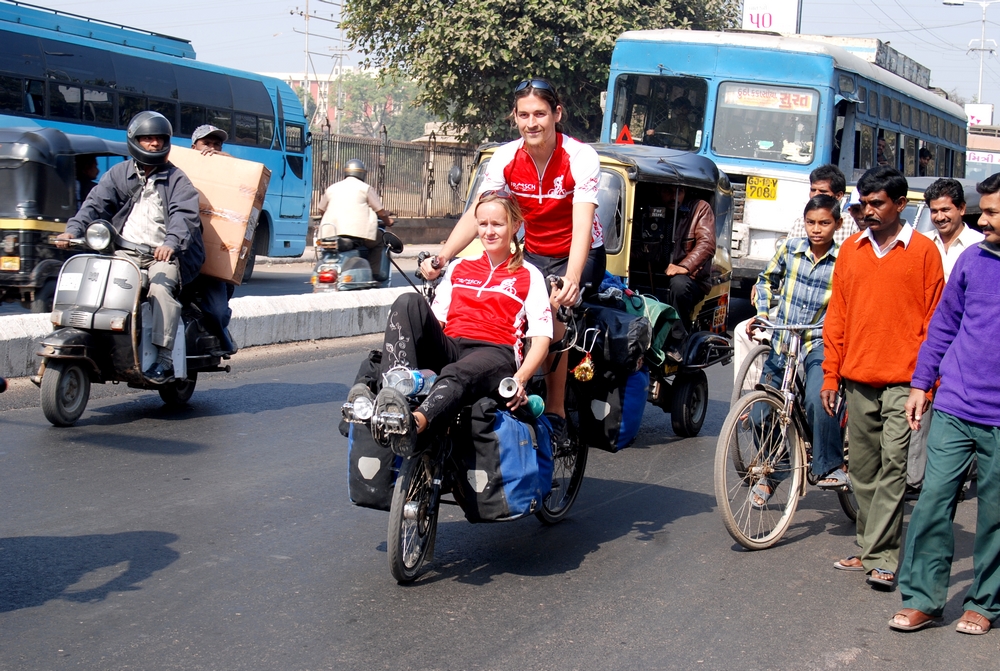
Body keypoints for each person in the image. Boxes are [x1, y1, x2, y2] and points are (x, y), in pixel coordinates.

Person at [419, 78, 603, 451]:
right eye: (524, 115)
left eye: (540, 114)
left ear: (556, 115)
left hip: (578, 253)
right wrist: (444, 256)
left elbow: (583, 224)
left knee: (552, 313)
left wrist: (570, 279)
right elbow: (480, 214)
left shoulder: (581, 157)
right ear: (514, 118)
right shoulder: (505, 158)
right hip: (533, 249)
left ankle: (555, 413)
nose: (532, 123)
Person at [345, 191, 552, 456]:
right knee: (408, 301)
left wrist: (520, 379)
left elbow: (542, 338)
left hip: (494, 353)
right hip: (453, 346)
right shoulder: (459, 268)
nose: (489, 231)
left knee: (456, 373)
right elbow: (438, 321)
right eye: (483, 224)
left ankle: (414, 425)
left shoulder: (529, 275)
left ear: (515, 226)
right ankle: (395, 396)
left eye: (497, 224)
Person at [821, 166, 944, 591]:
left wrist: (926, 384)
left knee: (894, 465)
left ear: (901, 205)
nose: (868, 211)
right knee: (865, 469)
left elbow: (936, 323)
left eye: (878, 204)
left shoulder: (925, 252)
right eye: (865, 203)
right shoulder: (852, 251)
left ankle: (882, 557)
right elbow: (836, 317)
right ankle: (870, 546)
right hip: (857, 377)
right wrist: (830, 376)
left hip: (904, 383)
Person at [889, 172, 1000, 635]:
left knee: (995, 512)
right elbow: (942, 326)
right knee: (933, 501)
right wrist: (921, 384)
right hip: (956, 403)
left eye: (992, 212)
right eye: (984, 210)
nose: (982, 218)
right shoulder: (973, 260)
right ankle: (924, 599)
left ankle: (985, 602)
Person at [56, 111, 205, 383]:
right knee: (92, 277)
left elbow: (185, 215)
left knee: (161, 288)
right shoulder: (119, 174)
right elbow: (94, 204)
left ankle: (163, 356)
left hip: (162, 256)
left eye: (160, 139)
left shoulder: (177, 180)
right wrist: (73, 230)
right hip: (124, 253)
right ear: (135, 140)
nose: (155, 144)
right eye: (148, 139)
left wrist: (171, 243)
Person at [747, 195, 846, 507]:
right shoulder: (790, 249)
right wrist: (763, 312)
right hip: (783, 340)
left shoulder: (844, 259)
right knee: (760, 413)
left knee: (819, 399)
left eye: (824, 223)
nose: (816, 229)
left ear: (837, 225)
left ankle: (830, 465)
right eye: (811, 223)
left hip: (819, 342)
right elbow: (765, 282)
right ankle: (776, 470)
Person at [902, 179, 987, 499]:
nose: (939, 217)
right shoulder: (921, 245)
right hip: (929, 335)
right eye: (934, 211)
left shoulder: (980, 246)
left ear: (962, 209)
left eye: (945, 210)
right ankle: (920, 475)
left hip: (967, 339)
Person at [186, 124, 238, 354]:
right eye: (206, 144)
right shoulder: (179, 172)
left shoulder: (229, 177)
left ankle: (221, 332)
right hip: (180, 253)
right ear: (193, 147)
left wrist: (227, 161)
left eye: (217, 144)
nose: (212, 149)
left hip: (211, 259)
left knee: (217, 312)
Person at [657, 184, 715, 349]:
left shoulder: (700, 208)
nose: (674, 196)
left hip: (692, 278)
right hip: (657, 273)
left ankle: (678, 341)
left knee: (679, 285)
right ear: (658, 191)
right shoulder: (649, 209)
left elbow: (707, 243)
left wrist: (685, 266)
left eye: (679, 192)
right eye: (668, 190)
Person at [316, 159, 394, 279]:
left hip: (330, 234)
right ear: (362, 174)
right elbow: (380, 211)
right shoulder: (365, 188)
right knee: (380, 240)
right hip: (356, 235)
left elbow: (321, 209)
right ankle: (375, 273)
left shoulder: (332, 188)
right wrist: (388, 221)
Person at [787, 165, 859, 244]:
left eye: (823, 191)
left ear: (838, 196)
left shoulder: (851, 225)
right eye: (813, 190)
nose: (815, 195)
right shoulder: (800, 223)